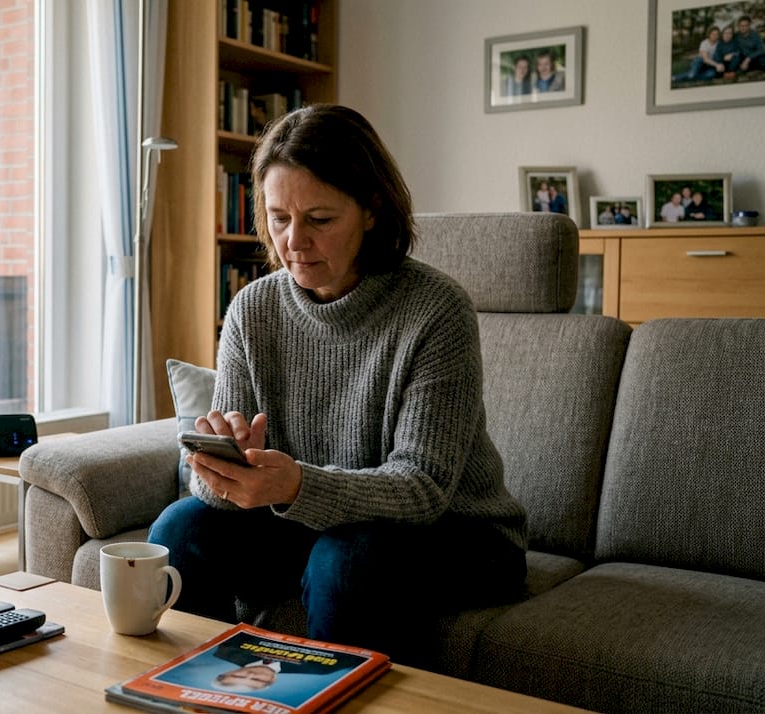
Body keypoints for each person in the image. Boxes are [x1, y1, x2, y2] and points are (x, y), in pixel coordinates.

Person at [147, 104, 528, 661]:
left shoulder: (436, 310)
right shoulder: (254, 309)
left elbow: (422, 486)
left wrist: (294, 486)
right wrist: (223, 468)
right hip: (316, 523)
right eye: (279, 218)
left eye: (320, 219)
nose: (293, 242)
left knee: (348, 559)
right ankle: (203, 695)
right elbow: (212, 493)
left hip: (459, 534)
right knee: (181, 527)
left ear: (371, 210)